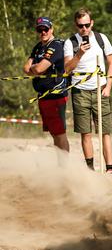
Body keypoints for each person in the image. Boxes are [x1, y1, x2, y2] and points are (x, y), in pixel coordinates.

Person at [63, 8, 112, 171]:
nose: (84, 29)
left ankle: (109, 168)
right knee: (85, 133)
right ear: (76, 25)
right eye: (81, 26)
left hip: (101, 89)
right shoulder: (70, 42)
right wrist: (79, 53)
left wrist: (108, 87)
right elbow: (67, 69)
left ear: (92, 23)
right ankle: (90, 170)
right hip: (80, 92)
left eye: (87, 25)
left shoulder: (101, 38)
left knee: (105, 131)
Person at [22, 17, 70, 152]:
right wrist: (36, 68)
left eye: (46, 29)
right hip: (43, 95)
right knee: (54, 133)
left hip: (56, 95)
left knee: (60, 134)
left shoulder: (56, 45)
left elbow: (38, 69)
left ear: (51, 29)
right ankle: (59, 162)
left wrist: (36, 68)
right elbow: (26, 68)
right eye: (40, 30)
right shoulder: (38, 47)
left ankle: (65, 163)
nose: (43, 32)